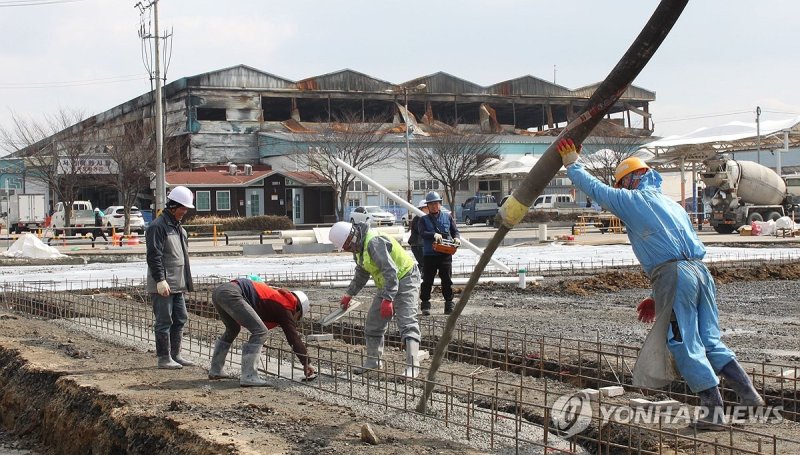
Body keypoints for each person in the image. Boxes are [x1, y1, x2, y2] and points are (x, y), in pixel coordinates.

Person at [557, 139, 764, 430]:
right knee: (709, 339)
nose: (621, 189)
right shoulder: (671, 204)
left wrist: (573, 165)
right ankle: (748, 396)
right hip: (700, 273)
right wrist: (659, 296)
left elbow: (597, 191)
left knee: (682, 341)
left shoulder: (633, 201)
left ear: (630, 180)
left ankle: (713, 411)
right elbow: (673, 246)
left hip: (675, 275)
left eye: (622, 183)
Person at [328, 221, 422, 378]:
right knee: (373, 322)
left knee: (406, 322)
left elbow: (390, 270)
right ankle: (374, 361)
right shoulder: (359, 246)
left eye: (347, 247)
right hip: (389, 282)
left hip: (405, 278)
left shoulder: (374, 243)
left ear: (351, 238)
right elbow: (362, 272)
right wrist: (349, 294)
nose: (347, 250)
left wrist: (388, 298)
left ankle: (413, 366)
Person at [208, 278, 315, 386]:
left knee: (233, 329)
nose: (294, 320)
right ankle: (249, 376)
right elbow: (293, 337)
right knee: (260, 332)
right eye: (297, 318)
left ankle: (216, 370)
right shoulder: (286, 307)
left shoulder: (278, 297)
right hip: (231, 293)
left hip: (219, 292)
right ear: (298, 310)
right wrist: (306, 362)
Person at [145, 186, 195, 369]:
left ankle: (176, 355)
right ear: (173, 206)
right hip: (164, 284)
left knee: (180, 317)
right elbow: (154, 255)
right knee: (164, 320)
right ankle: (164, 358)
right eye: (183, 208)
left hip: (178, 283)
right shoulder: (158, 227)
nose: (185, 212)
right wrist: (160, 279)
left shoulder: (178, 228)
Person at [419, 191, 461, 315]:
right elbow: (422, 233)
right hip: (430, 255)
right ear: (428, 206)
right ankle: (425, 305)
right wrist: (433, 234)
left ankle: (449, 304)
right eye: (431, 204)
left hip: (445, 254)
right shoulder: (423, 220)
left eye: (436, 203)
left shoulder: (447, 217)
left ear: (440, 204)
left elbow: (455, 231)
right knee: (427, 280)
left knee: (447, 280)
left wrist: (457, 238)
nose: (434, 206)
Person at [407, 199, 429, 276]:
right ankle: (418, 277)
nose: (428, 209)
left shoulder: (425, 218)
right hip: (418, 245)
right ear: (421, 209)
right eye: (426, 208)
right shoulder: (418, 219)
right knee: (424, 263)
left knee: (424, 263)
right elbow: (421, 231)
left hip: (421, 244)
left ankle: (418, 277)